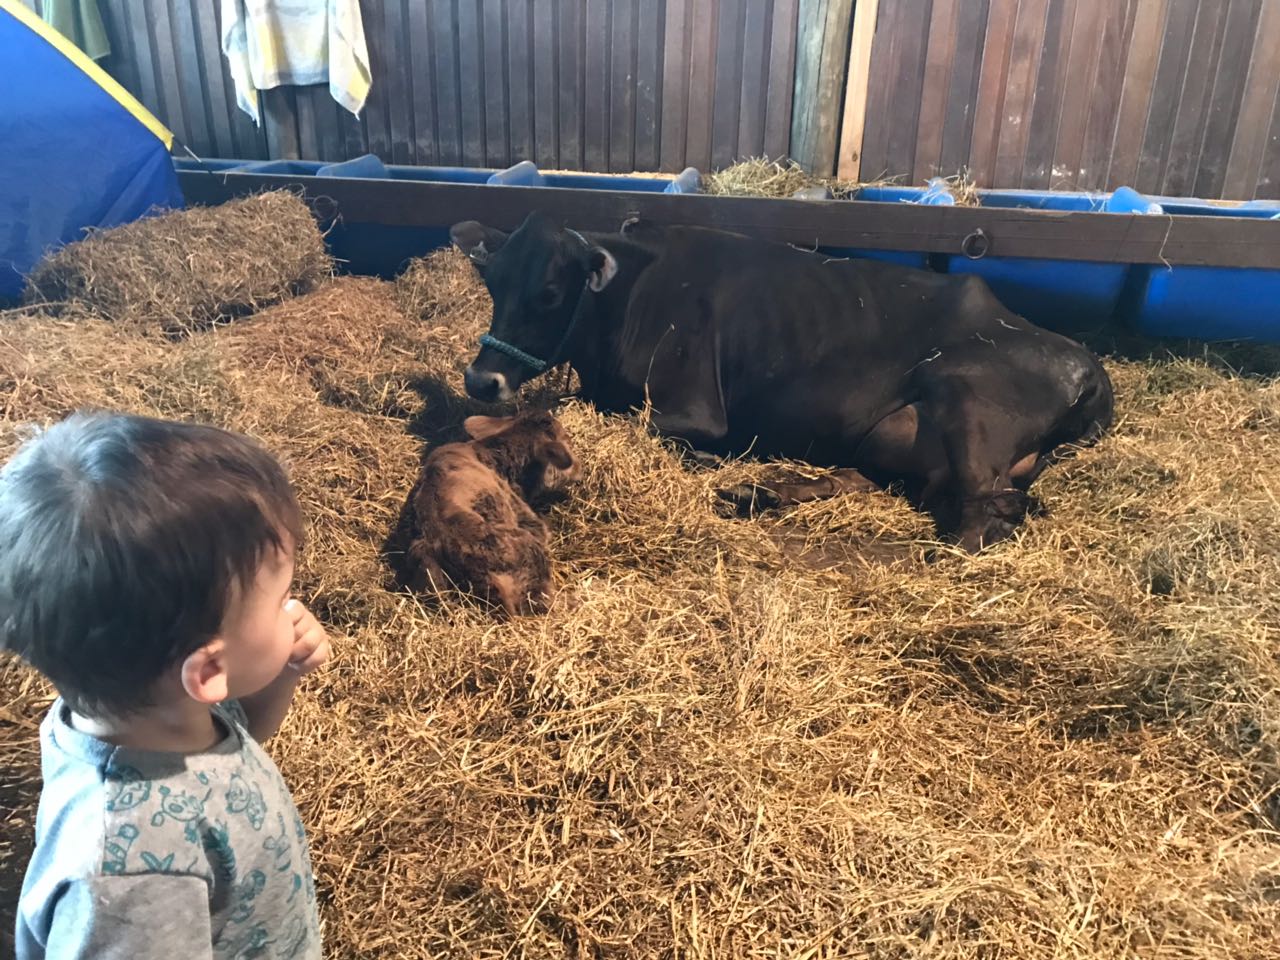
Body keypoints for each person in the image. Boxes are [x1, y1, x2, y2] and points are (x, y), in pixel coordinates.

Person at [0, 411, 330, 959]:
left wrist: (284, 672)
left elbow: (239, 746)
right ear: (207, 672)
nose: (293, 610)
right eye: (278, 602)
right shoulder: (133, 877)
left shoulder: (148, 710)